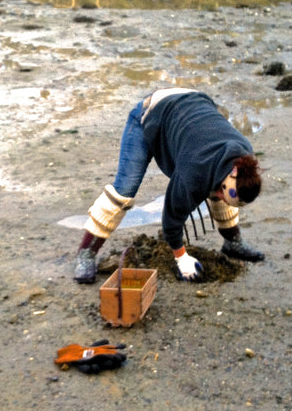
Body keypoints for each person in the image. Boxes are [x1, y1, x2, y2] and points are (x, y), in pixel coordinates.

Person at [74, 88, 263, 284]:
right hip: (150, 113)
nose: (222, 198)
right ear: (232, 172)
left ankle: (233, 242)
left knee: (217, 189)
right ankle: (86, 253)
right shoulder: (193, 169)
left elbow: (224, 190)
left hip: (194, 106)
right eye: (226, 194)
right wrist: (181, 258)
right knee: (124, 191)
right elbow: (172, 218)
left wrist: (219, 193)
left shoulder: (246, 158)